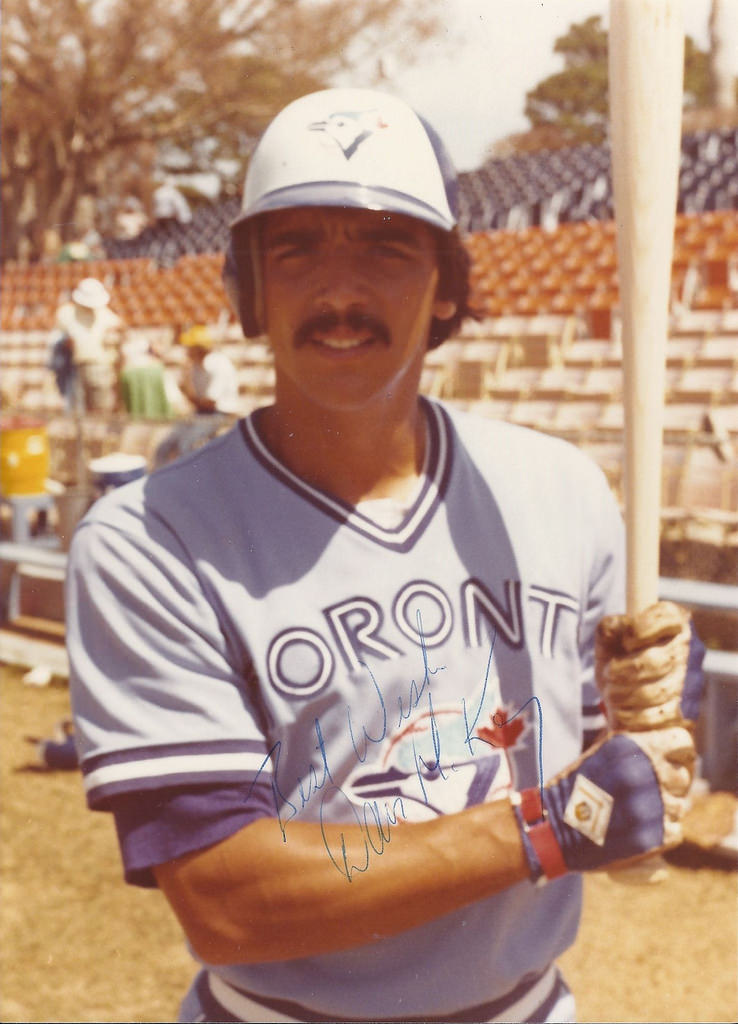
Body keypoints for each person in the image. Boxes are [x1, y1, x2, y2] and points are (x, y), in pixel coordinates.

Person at [67, 88, 703, 1024]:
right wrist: (549, 829)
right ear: (247, 291)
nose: (339, 291)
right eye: (296, 249)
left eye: (385, 246)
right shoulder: (150, 539)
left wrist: (653, 736)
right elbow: (227, 900)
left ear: (446, 285)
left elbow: (621, 801)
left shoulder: (562, 491)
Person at [54, 277, 123, 414]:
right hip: (75, 367)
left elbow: (120, 325)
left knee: (100, 408)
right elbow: (61, 339)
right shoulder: (67, 313)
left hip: (100, 366)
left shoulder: (104, 313)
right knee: (79, 409)